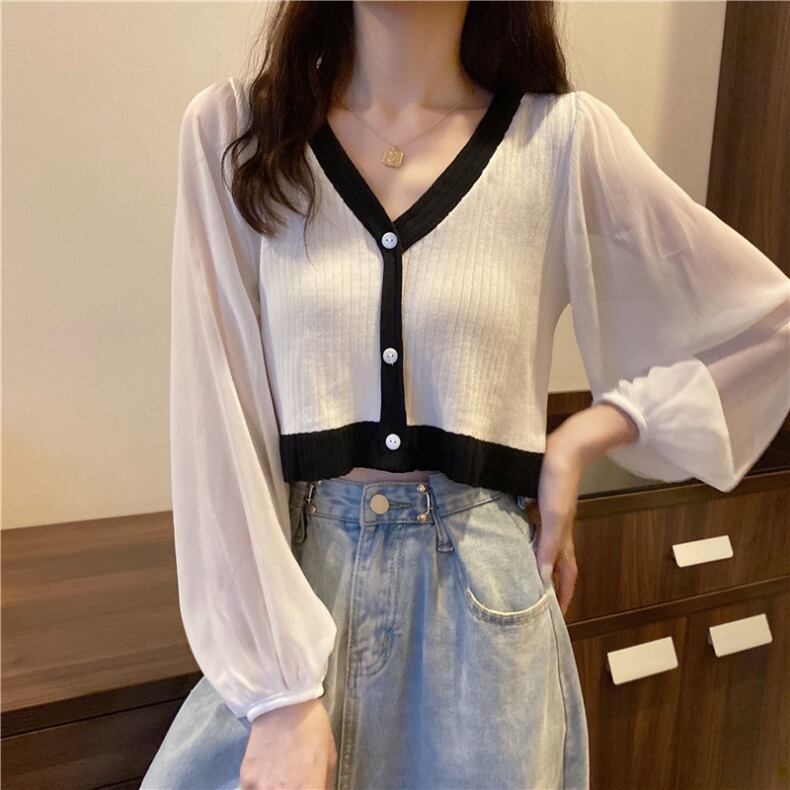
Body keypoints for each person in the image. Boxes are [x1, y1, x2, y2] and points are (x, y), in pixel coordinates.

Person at [141, 2, 790, 789]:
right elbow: (216, 416)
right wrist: (278, 695)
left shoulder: (559, 141)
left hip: (484, 612)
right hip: (302, 593)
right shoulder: (238, 133)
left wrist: (585, 435)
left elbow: (769, 325)